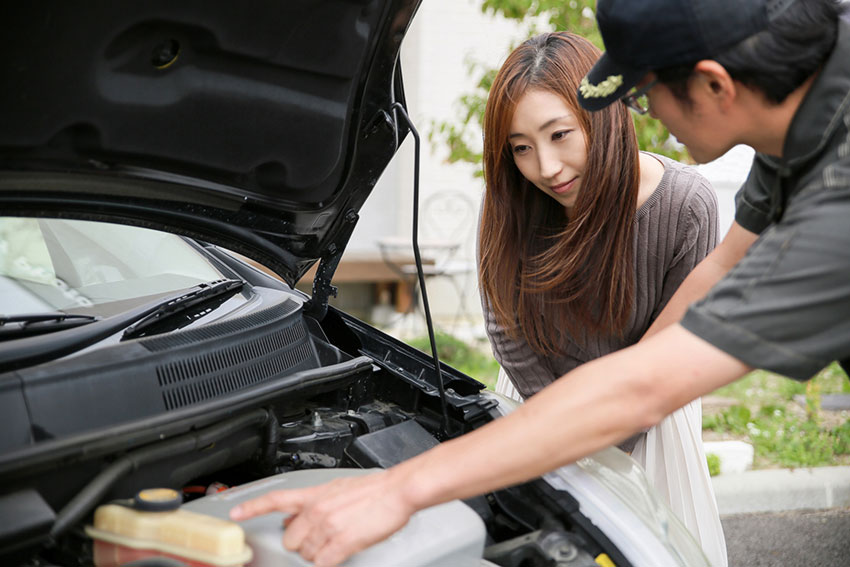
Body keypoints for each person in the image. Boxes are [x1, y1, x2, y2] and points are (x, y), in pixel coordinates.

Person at [230, 1, 850, 565]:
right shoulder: (798, 117)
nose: (639, 116)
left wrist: (400, 487)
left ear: (715, 84)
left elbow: (644, 392)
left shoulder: (834, 207)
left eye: (642, 96)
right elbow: (721, 264)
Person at [478, 32, 726, 565]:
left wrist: (602, 453)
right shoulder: (514, 200)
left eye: (560, 134)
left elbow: (668, 361)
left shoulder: (685, 205)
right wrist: (557, 432)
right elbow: (506, 326)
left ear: (606, 114)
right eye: (521, 147)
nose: (546, 167)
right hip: (536, 401)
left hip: (649, 420)